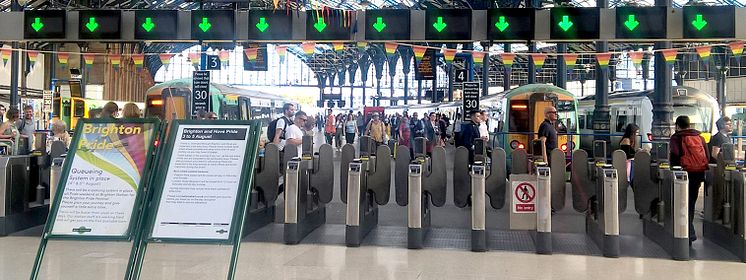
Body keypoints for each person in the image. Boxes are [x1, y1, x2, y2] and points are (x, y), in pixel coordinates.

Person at [669, 115, 710, 245]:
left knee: (681, 203)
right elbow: (707, 156)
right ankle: (688, 232)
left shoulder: (676, 138)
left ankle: (686, 233)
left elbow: (675, 154)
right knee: (691, 203)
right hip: (697, 174)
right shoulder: (700, 137)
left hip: (682, 174)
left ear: (677, 125)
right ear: (689, 124)